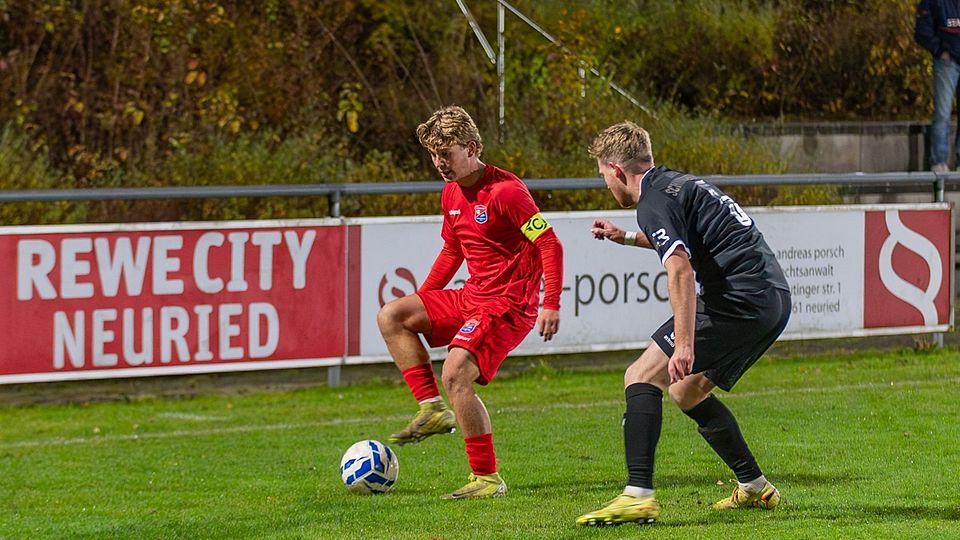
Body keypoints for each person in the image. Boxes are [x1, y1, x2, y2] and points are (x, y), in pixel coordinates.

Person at [575, 122, 791, 526]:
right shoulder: (675, 184)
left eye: (604, 176)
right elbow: (679, 242)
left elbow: (680, 269)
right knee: (686, 391)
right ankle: (756, 487)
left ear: (616, 170)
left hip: (739, 298)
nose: (607, 185)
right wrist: (625, 238)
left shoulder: (652, 200)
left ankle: (638, 495)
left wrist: (685, 343)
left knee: (641, 375)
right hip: (772, 299)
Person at [377, 105, 563, 500]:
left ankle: (487, 479)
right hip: (473, 296)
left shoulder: (507, 192)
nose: (440, 163)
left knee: (456, 371)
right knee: (393, 315)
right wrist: (423, 298)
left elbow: (549, 242)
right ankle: (431, 409)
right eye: (434, 155)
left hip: (509, 304)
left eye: (447, 154)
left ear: (472, 147)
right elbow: (452, 251)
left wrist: (551, 303)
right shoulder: (451, 193)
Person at [916, 0, 960, 173]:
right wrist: (940, 51)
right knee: (943, 112)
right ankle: (939, 161)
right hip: (947, 63)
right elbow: (922, 31)